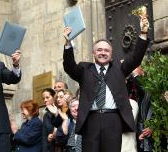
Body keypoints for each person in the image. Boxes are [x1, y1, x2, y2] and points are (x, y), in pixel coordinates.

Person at [62, 15, 150, 152]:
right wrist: (68, 44)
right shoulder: (84, 69)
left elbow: (135, 58)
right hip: (90, 119)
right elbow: (69, 66)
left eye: (106, 50)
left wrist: (143, 33)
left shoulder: (120, 68)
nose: (103, 53)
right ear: (93, 53)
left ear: (111, 54)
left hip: (113, 120)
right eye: (99, 50)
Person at [42, 88, 57, 152]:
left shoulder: (61, 110)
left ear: (53, 97)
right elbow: (44, 135)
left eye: (47, 97)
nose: (45, 100)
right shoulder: (46, 115)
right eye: (43, 98)